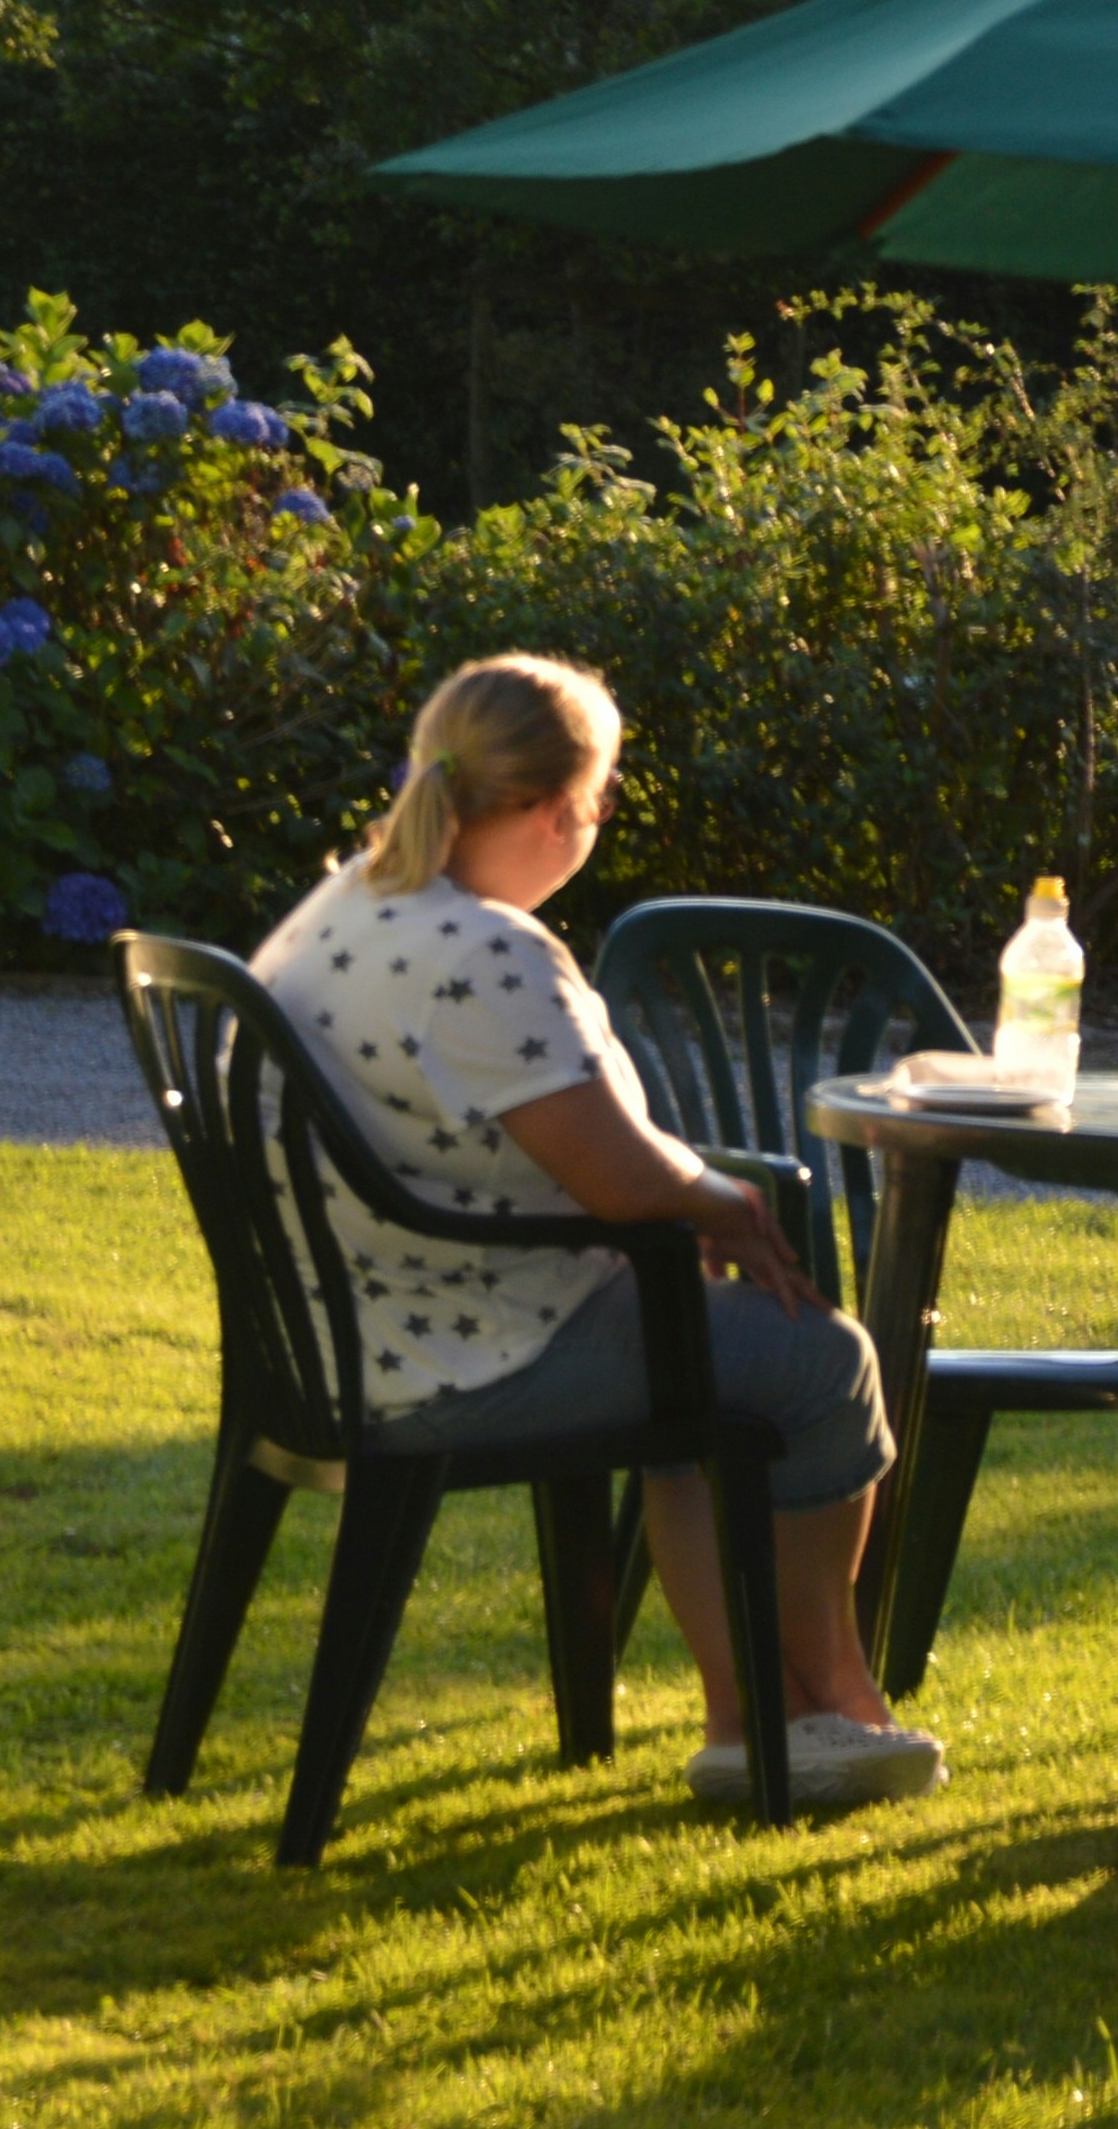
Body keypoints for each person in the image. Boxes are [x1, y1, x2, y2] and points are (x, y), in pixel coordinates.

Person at [252, 652, 945, 1818]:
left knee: (705, 1350)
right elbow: (620, 1176)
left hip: (344, 1334)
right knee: (820, 1360)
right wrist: (723, 1203)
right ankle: (814, 1704)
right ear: (548, 807)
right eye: (606, 792)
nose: (606, 817)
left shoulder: (346, 908)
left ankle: (767, 1712)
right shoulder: (486, 953)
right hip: (465, 1350)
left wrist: (686, 1209)